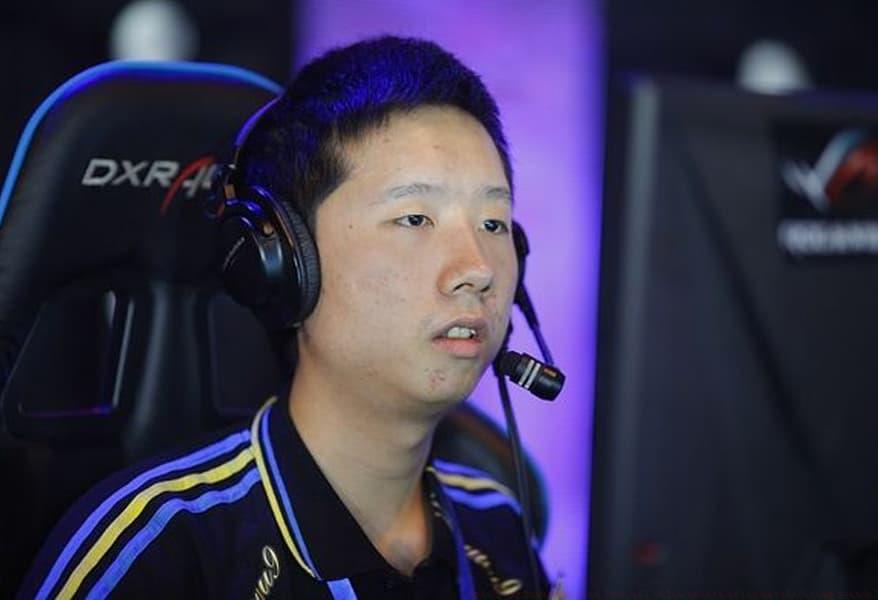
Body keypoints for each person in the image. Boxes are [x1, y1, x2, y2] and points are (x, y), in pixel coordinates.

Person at [20, 36, 551, 599]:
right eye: (415, 218)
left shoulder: (497, 529)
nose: (477, 269)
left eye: (494, 224)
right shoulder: (157, 551)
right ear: (284, 263)